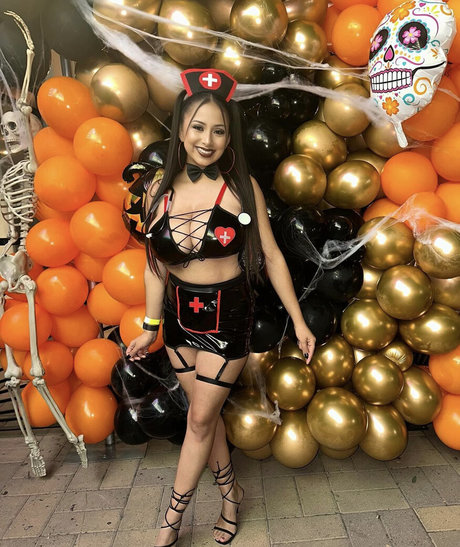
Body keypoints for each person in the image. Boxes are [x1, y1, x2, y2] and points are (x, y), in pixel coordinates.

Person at [126, 68, 316, 547]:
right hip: (178, 318)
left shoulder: (240, 188)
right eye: (197, 127)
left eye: (218, 130)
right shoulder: (156, 190)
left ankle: (171, 521)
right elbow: (155, 266)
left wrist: (298, 320)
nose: (206, 140)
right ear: (180, 130)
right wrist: (150, 326)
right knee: (203, 417)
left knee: (197, 420)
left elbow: (272, 256)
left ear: (229, 137)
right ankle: (231, 496)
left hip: (228, 316)